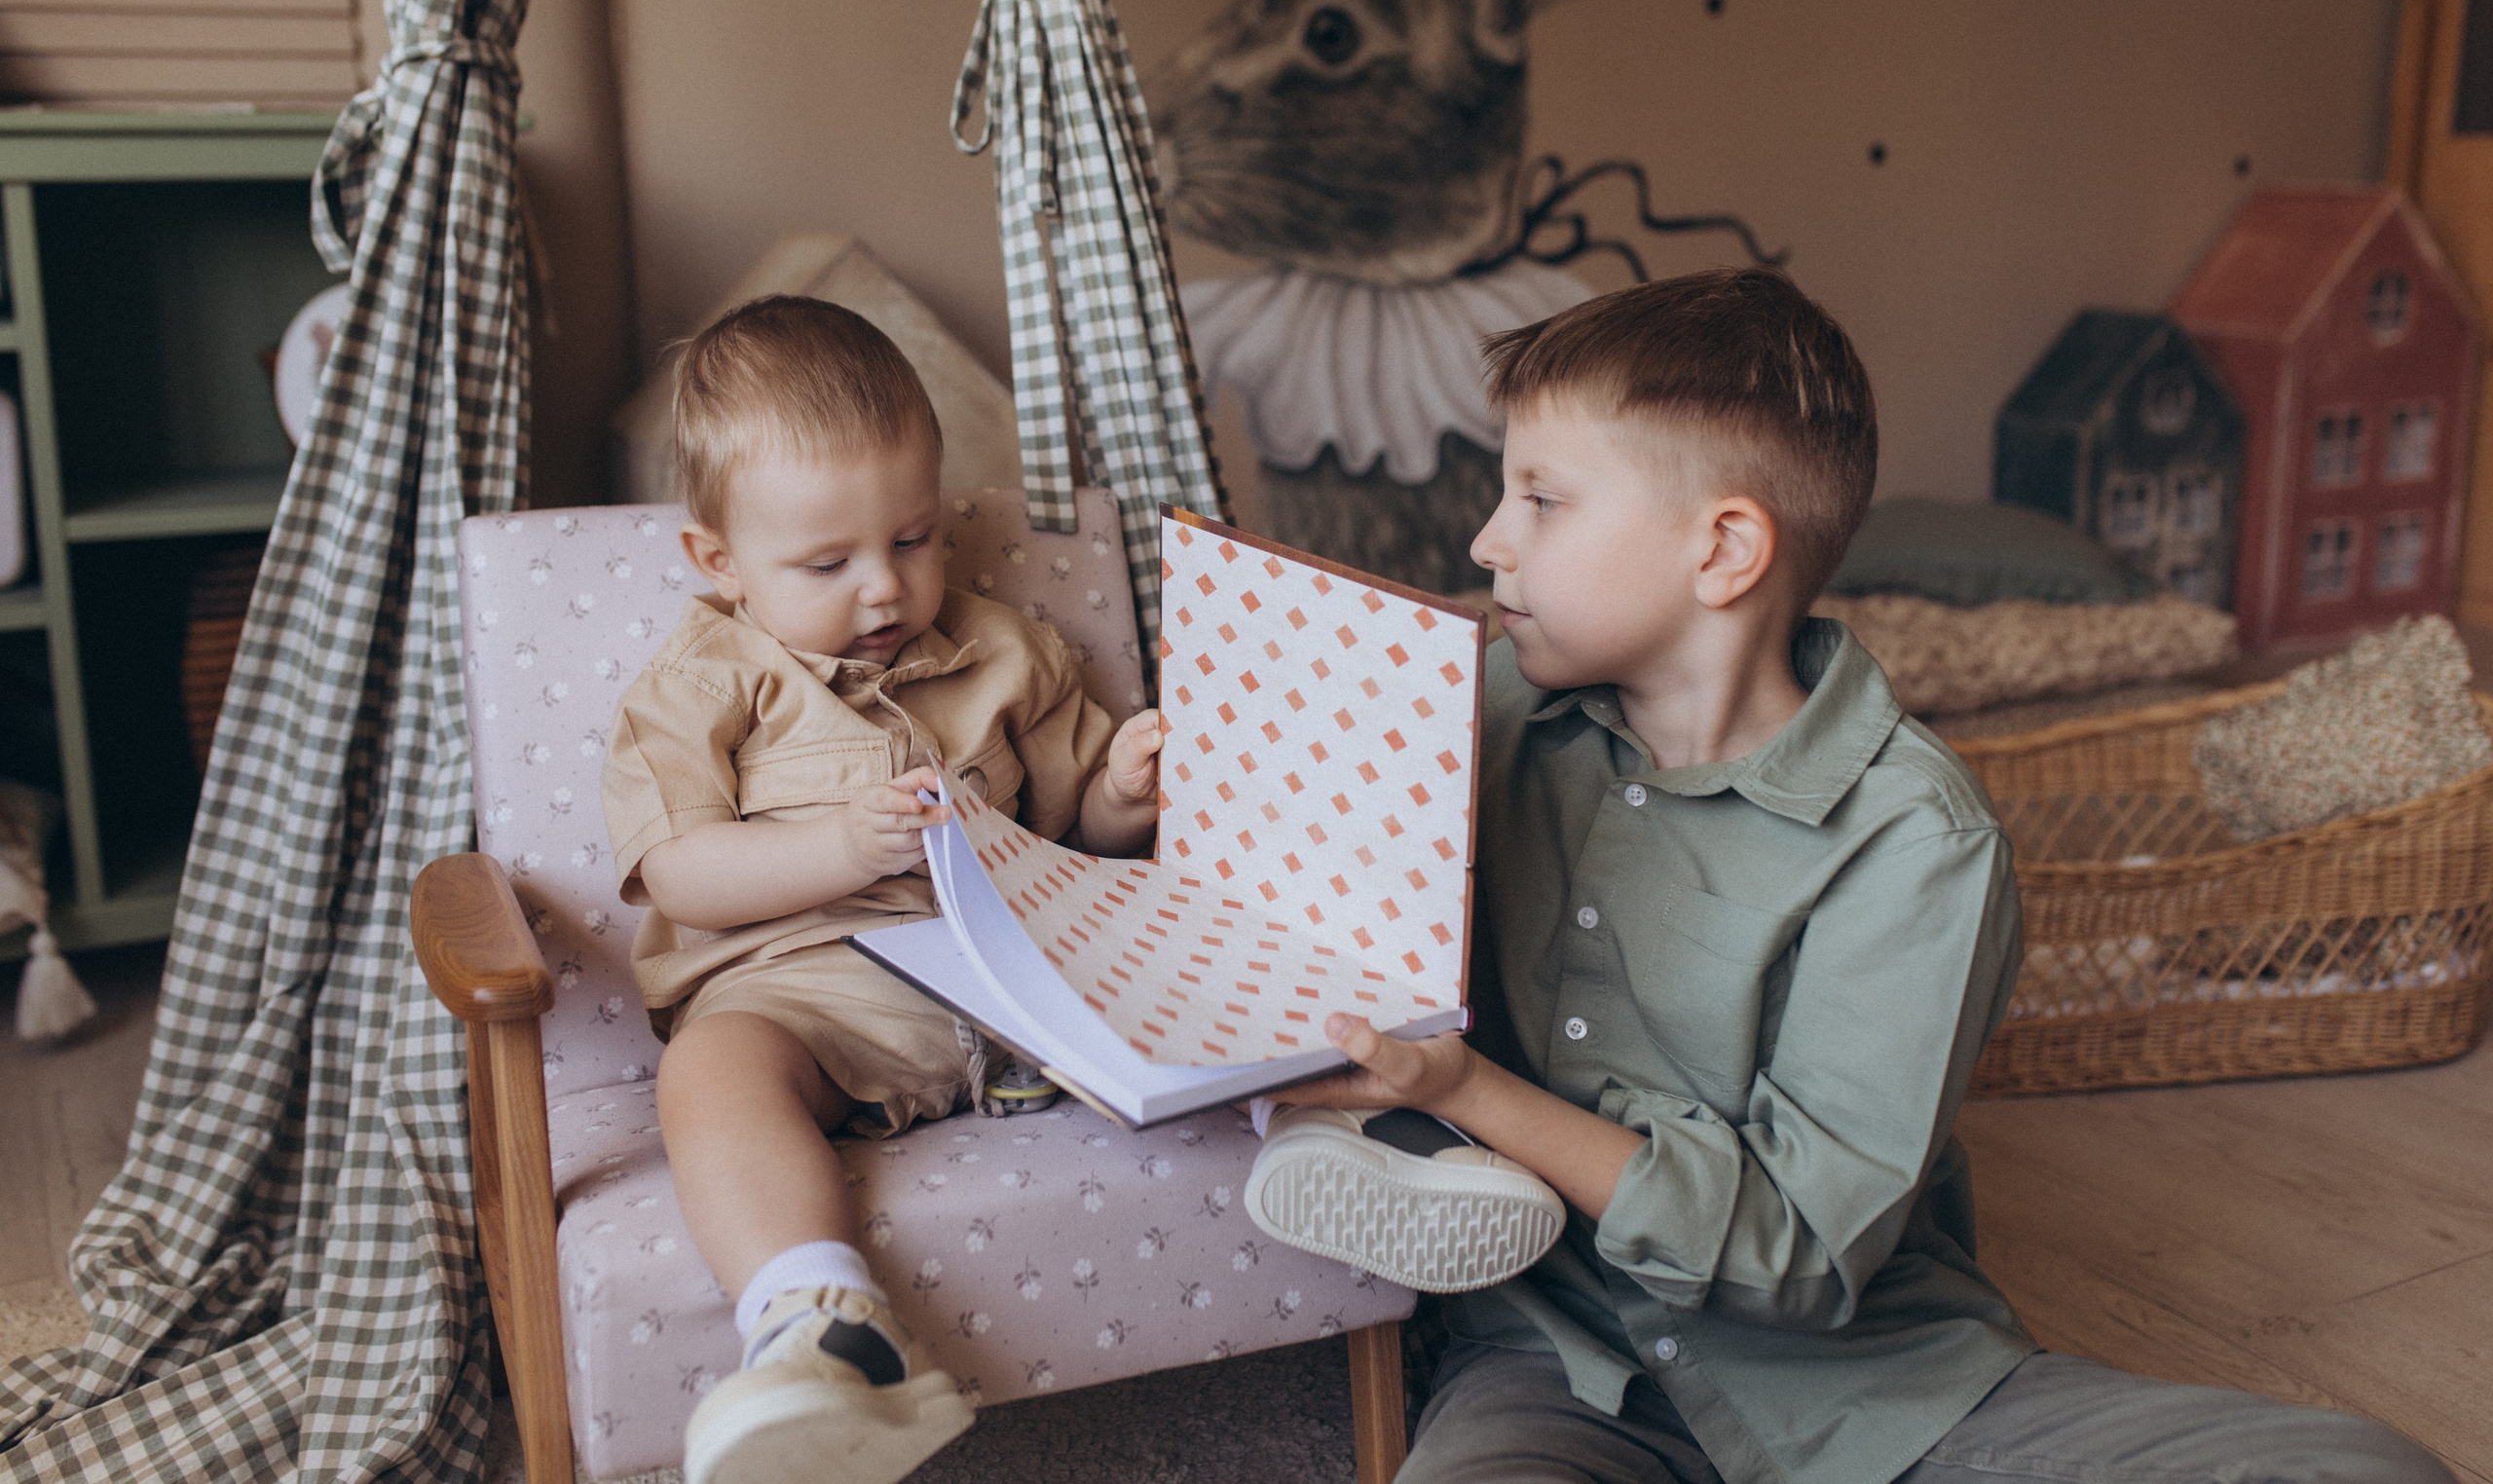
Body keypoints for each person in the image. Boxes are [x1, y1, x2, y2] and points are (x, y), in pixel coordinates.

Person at [1270, 268, 2452, 1484]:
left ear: (1722, 549)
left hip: (1868, 1397)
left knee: (2366, 1472)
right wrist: (1137, 790)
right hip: (1553, 1367)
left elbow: (1795, 1259)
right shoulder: (1481, 711)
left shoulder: (1917, 843)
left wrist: (1471, 1092)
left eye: (1542, 501)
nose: (1487, 541)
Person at [598, 295, 1168, 1484]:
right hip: (812, 1000)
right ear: (720, 561)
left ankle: (1364, 1128)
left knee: (1189, 961)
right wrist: (840, 852)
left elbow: (1081, 840)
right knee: (711, 1070)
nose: (883, 590)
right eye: (827, 562)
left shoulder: (1011, 653)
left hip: (1017, 980)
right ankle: (821, 1326)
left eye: (912, 539)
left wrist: (1124, 786)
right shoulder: (704, 682)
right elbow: (679, 868)